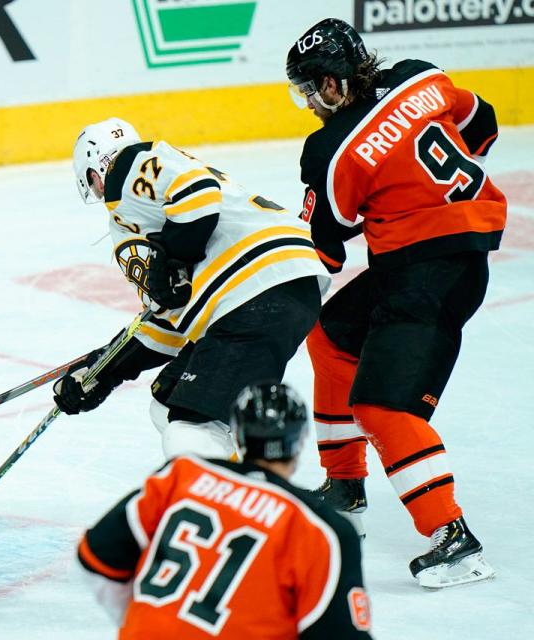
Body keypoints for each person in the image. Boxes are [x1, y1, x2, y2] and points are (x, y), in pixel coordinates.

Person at [285, 18, 504, 588]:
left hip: (429, 278)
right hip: (438, 260)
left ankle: (453, 539)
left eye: (309, 90)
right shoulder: (420, 78)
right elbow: (483, 127)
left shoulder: (330, 149)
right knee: (331, 334)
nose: (308, 103)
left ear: (333, 85)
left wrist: (279, 304)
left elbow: (325, 252)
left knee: (382, 407)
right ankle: (346, 486)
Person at [53, 118, 330, 460]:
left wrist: (176, 259)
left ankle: (238, 506)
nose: (98, 193)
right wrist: (104, 371)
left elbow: (197, 191)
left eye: (92, 184)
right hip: (270, 290)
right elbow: (170, 319)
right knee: (167, 402)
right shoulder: (147, 209)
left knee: (192, 429)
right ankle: (243, 487)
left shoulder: (127, 167)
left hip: (252, 291)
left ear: (95, 172)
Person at [78, 382, 372, 639]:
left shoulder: (183, 475)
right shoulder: (321, 528)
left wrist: (144, 623)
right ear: (299, 441)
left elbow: (94, 556)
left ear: (239, 435)